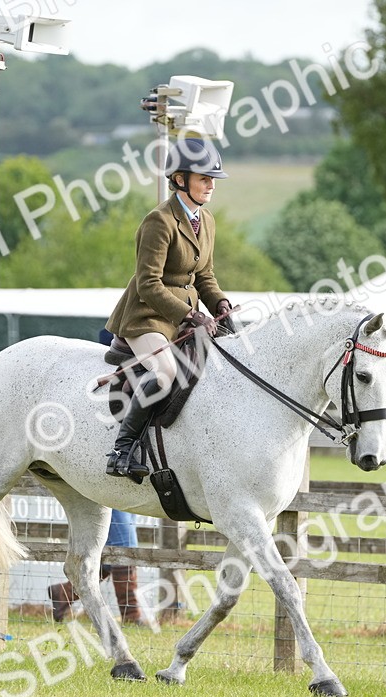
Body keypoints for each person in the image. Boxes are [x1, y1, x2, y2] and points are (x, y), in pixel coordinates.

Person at [103, 136, 235, 480]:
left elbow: (203, 274)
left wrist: (220, 304)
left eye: (212, 180)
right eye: (203, 178)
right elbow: (148, 284)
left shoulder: (206, 221)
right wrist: (190, 315)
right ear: (179, 179)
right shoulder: (159, 221)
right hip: (147, 317)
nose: (210, 186)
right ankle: (122, 449)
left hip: (184, 317)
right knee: (164, 373)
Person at [47, 509, 144, 625]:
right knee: (125, 547)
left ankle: (64, 593)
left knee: (118, 552)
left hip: (127, 495)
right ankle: (131, 616)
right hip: (112, 495)